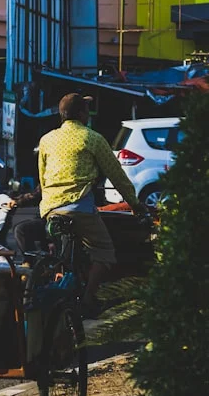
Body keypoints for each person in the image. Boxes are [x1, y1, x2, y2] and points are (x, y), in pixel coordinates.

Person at [38, 93, 145, 318]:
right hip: (79, 207)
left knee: (60, 250)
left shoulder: (47, 139)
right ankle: (88, 299)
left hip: (50, 208)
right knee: (105, 252)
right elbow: (117, 175)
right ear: (80, 114)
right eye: (86, 110)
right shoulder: (92, 138)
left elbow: (43, 177)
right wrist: (134, 204)